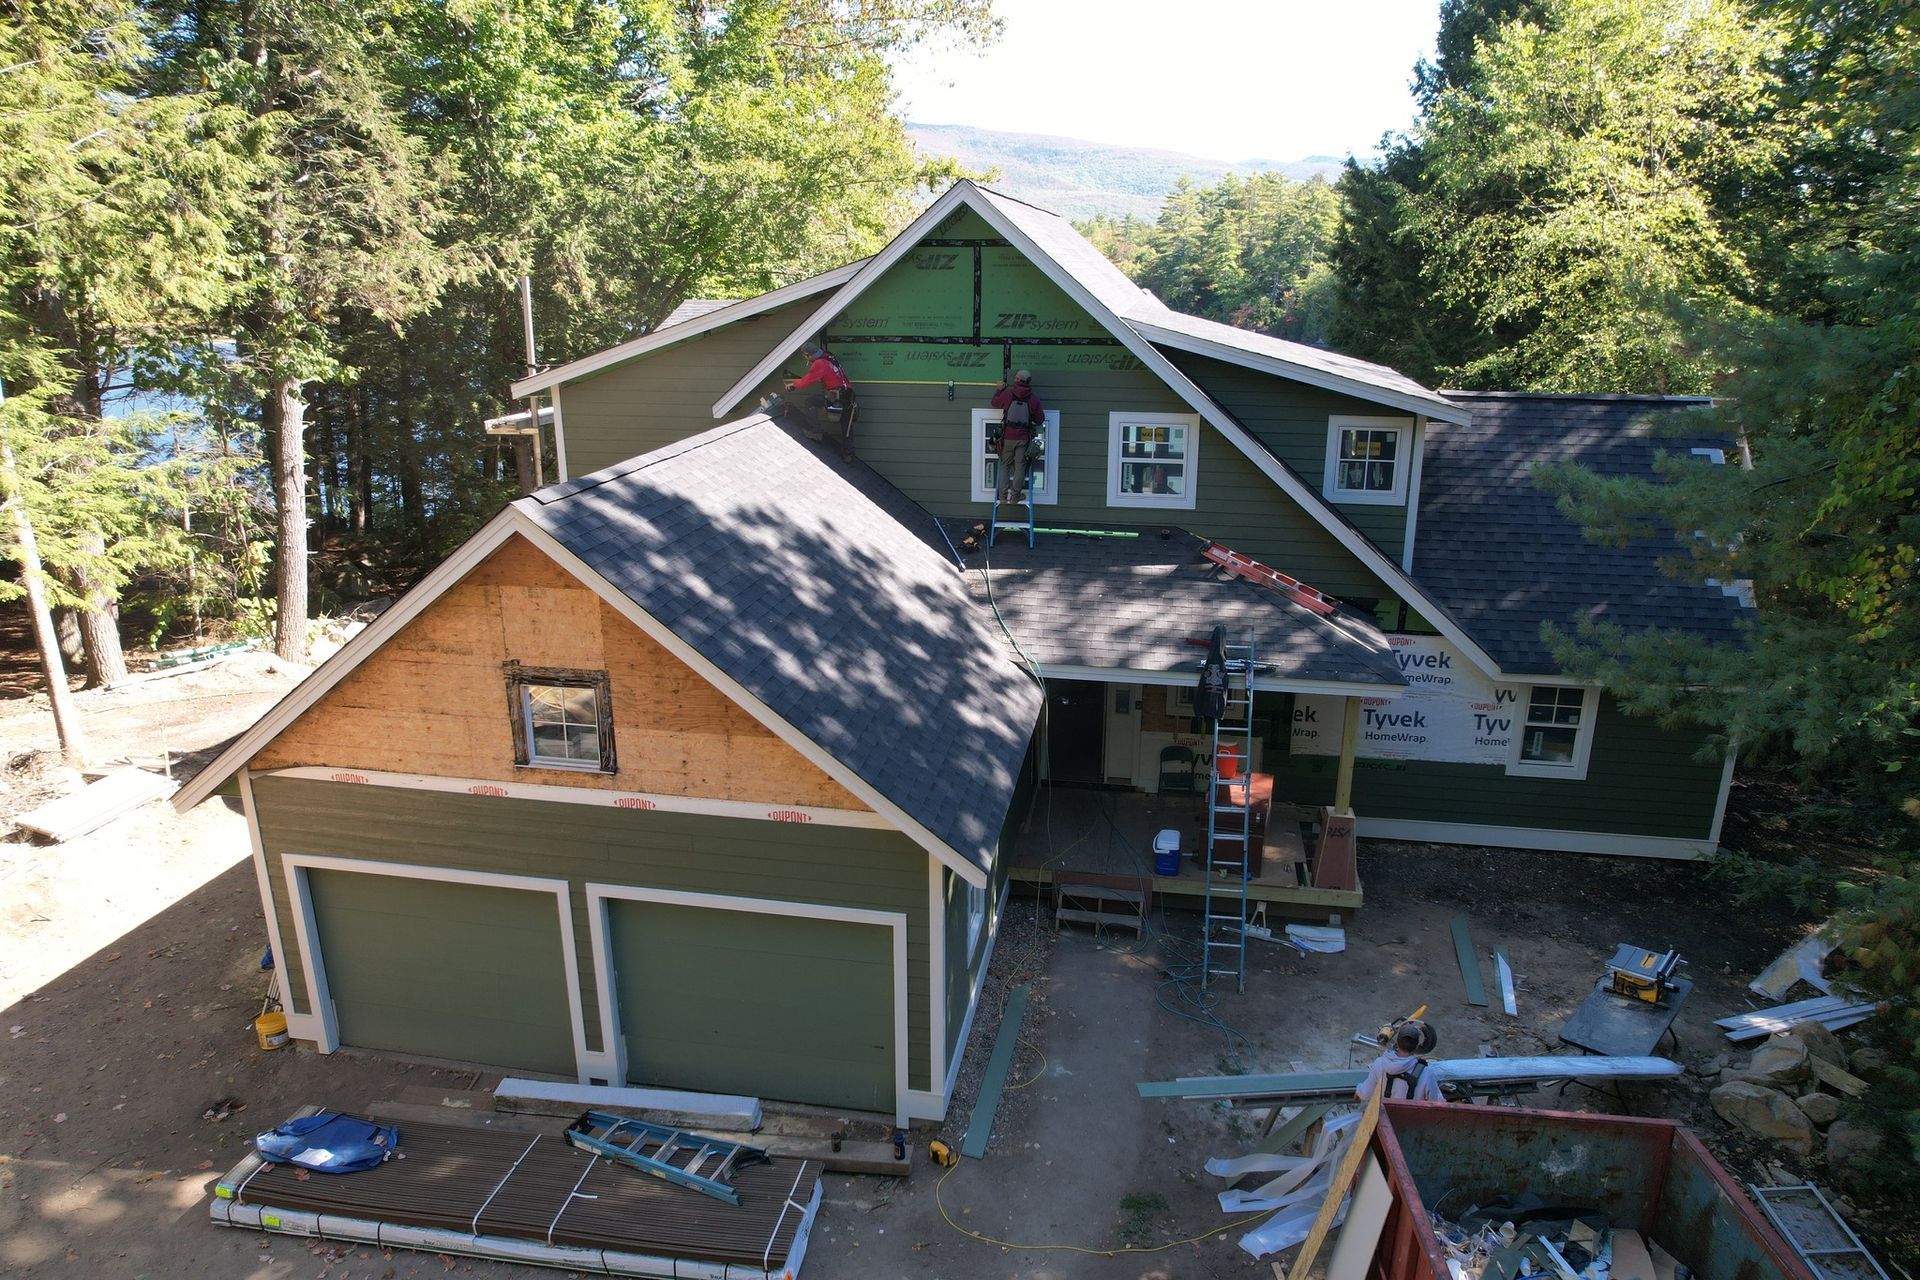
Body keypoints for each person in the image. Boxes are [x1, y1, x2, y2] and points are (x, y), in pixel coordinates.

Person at [786, 341, 857, 458]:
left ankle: (815, 432)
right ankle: (848, 454)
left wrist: (793, 385)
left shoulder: (820, 363)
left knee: (810, 402)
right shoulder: (829, 357)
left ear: (808, 355)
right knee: (847, 426)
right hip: (849, 396)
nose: (806, 359)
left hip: (836, 396)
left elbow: (808, 380)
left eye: (806, 356)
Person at [988, 370, 1045, 504]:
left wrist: (999, 390)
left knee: (1005, 465)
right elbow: (1040, 420)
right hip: (1023, 437)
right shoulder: (1033, 398)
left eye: (1016, 377)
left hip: (1008, 436)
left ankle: (1002, 497)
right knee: (1020, 467)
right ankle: (1015, 497)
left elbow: (995, 402)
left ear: (1019, 380)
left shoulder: (1008, 393)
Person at [1356, 1022, 1445, 1103]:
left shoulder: (1379, 1064)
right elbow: (1437, 1103)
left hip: (1385, 1118)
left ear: (1397, 1043)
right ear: (1416, 1047)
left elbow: (1365, 1094)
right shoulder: (1426, 1073)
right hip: (1412, 1119)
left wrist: (1359, 1092)